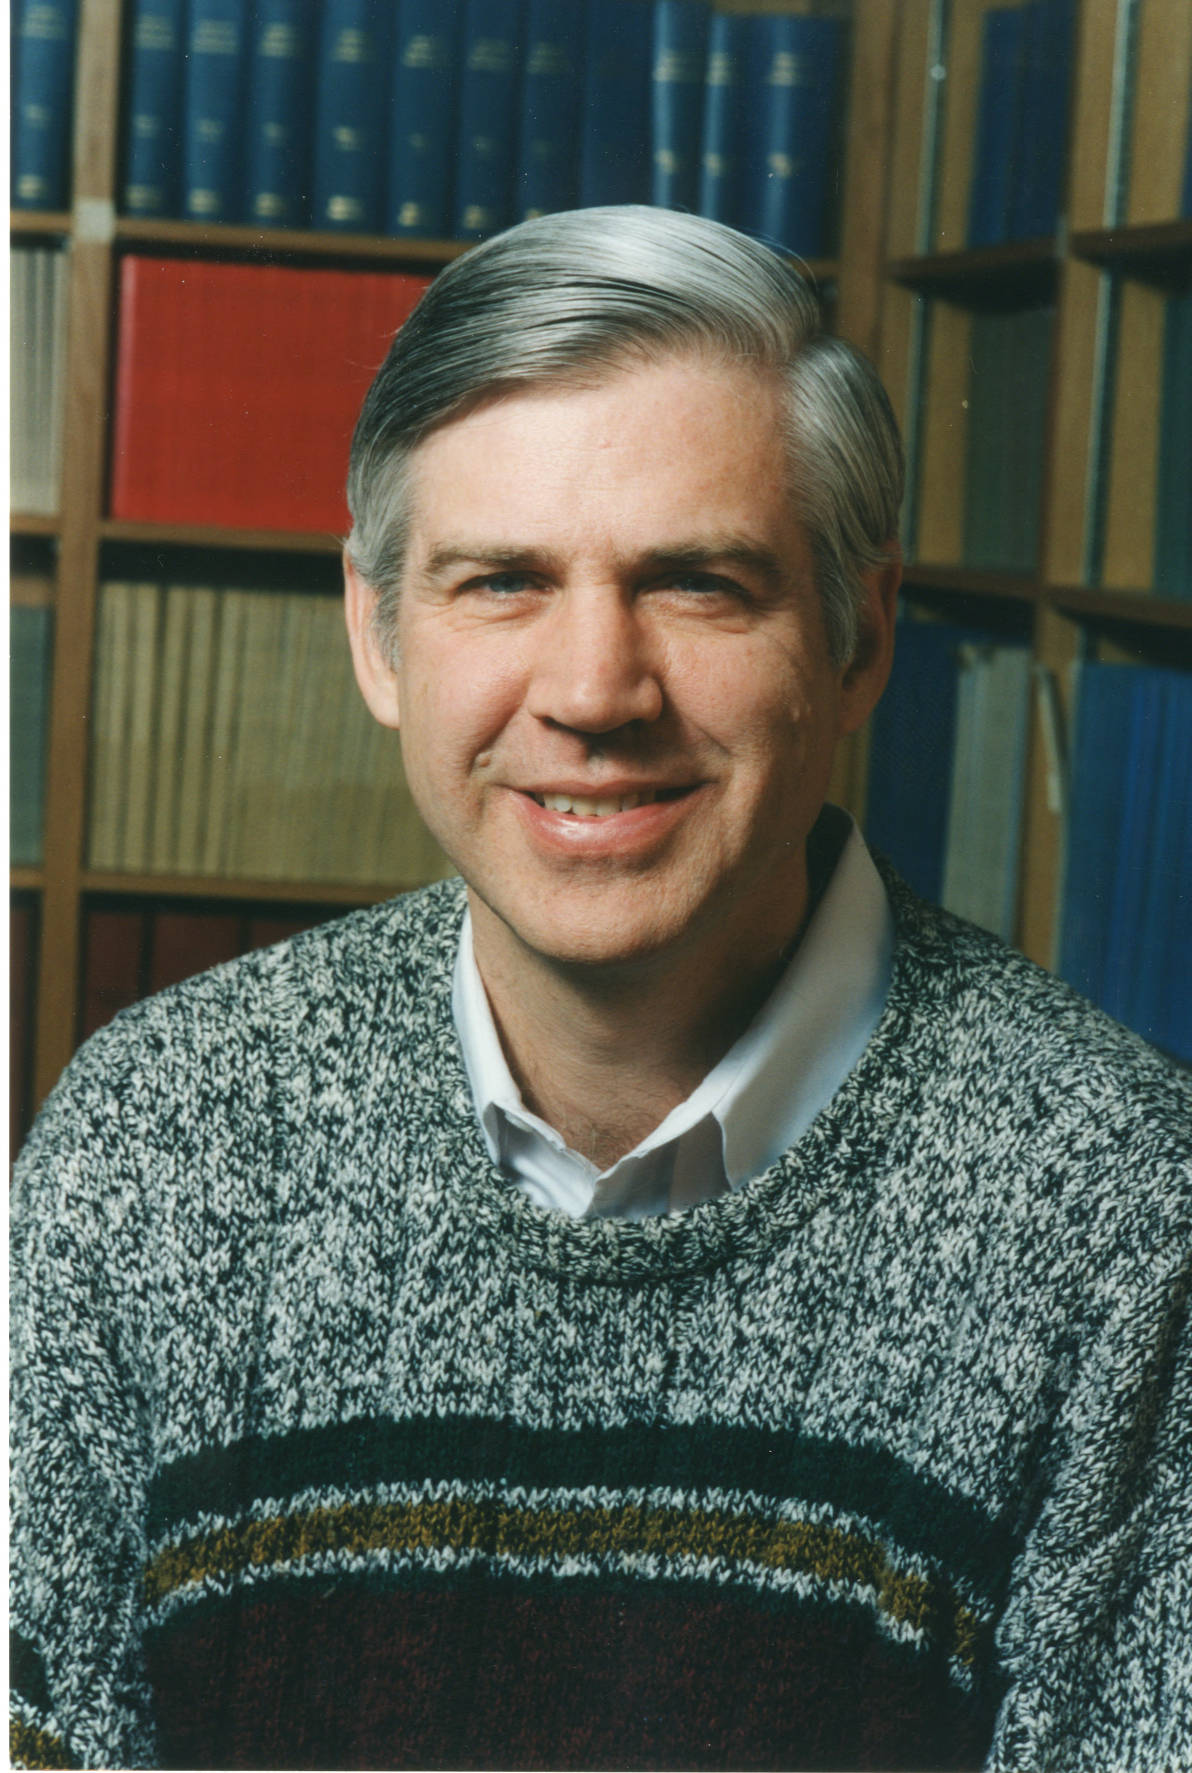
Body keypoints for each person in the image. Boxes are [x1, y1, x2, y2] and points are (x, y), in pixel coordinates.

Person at [10, 207, 1190, 1773]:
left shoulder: (1127, 1211)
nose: (591, 692)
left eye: (697, 583)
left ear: (860, 638)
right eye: (502, 581)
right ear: (379, 636)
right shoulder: (151, 1141)